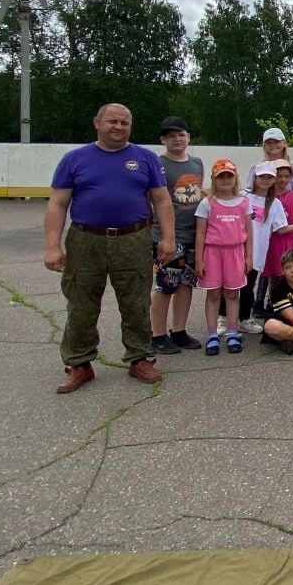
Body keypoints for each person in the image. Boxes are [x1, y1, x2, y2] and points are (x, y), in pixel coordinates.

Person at [43, 103, 172, 392]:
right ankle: (79, 364)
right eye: (112, 121)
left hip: (133, 239)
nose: (119, 126)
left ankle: (140, 359)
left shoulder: (146, 158)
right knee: (81, 304)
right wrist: (52, 246)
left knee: (137, 301)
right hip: (86, 240)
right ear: (97, 123)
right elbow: (58, 203)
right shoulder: (75, 159)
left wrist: (168, 237)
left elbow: (162, 200)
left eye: (125, 122)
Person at [148, 116, 204, 354]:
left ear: (188, 137)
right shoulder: (158, 164)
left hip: (193, 235)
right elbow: (154, 199)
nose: (177, 139)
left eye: (181, 134)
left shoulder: (197, 163)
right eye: (171, 136)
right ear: (163, 140)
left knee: (186, 285)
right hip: (169, 236)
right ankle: (157, 334)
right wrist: (162, 236)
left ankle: (178, 330)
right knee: (165, 287)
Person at [194, 159, 252, 355]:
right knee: (213, 294)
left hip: (235, 252)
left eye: (229, 176)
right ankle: (211, 335)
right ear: (214, 179)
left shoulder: (244, 202)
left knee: (232, 294)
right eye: (221, 176)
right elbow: (200, 234)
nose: (226, 180)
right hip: (212, 252)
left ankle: (233, 332)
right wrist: (199, 260)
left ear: (235, 178)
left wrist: (248, 257)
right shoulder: (207, 203)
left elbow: (249, 233)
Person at [238, 161, 290, 333]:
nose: (266, 180)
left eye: (269, 177)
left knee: (248, 285)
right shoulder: (242, 196)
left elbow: (281, 227)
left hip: (257, 251)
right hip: (236, 249)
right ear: (255, 177)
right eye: (262, 176)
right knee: (230, 286)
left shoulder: (274, 203)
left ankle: (245, 318)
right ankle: (223, 318)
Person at [261, 159, 293, 308]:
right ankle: (274, 303)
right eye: (279, 176)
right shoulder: (266, 196)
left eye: (286, 176)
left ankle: (292, 303)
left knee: (290, 273)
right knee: (274, 275)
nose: (282, 180)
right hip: (271, 241)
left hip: (289, 241)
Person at [246, 126, 293, 190]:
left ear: (284, 143)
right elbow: (250, 190)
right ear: (264, 146)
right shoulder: (256, 167)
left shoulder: (292, 166)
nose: (272, 145)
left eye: (277, 141)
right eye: (268, 142)